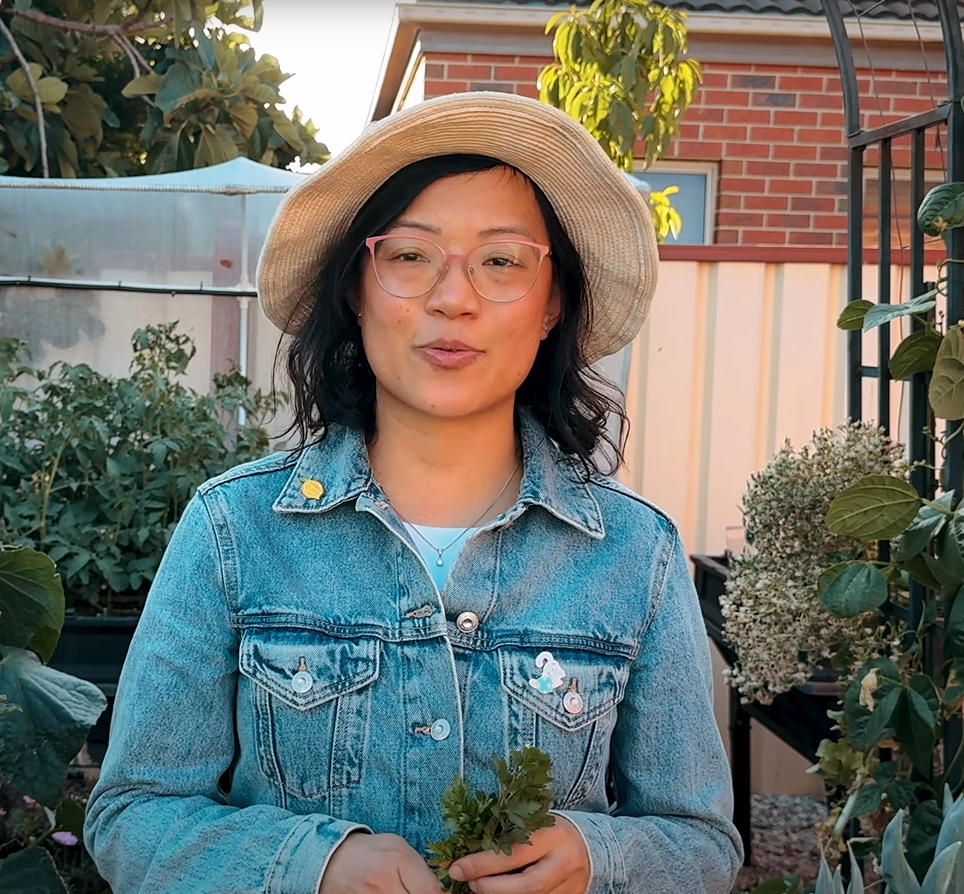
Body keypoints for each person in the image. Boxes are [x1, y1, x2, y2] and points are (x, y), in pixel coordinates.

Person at [84, 91, 742, 894]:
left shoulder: (635, 553)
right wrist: (309, 865)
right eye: (408, 255)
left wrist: (595, 856)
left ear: (551, 303)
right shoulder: (232, 529)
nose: (451, 298)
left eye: (501, 261)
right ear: (356, 291)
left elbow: (700, 841)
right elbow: (133, 814)